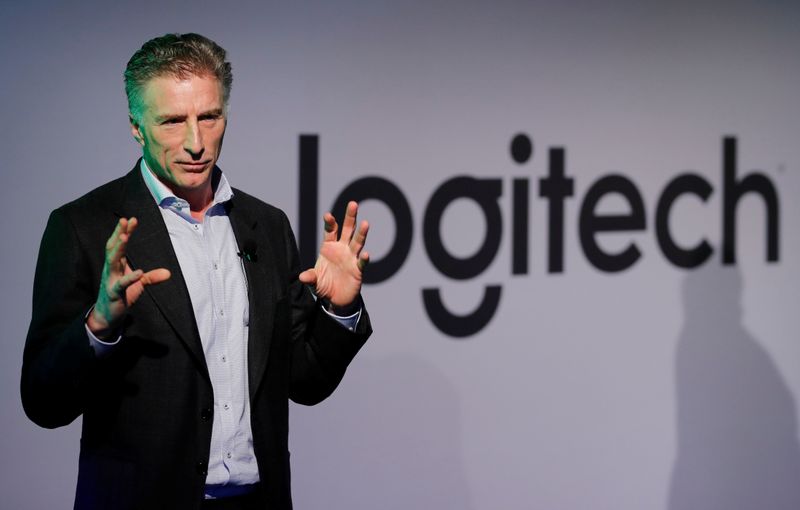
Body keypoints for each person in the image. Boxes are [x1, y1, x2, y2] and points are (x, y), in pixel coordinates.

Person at [21, 33, 372, 510]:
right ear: (136, 127)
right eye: (172, 121)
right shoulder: (83, 226)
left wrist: (340, 307)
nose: (195, 143)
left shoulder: (266, 226)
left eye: (209, 117)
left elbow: (304, 383)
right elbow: (43, 404)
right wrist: (99, 326)